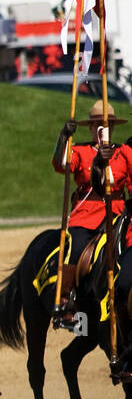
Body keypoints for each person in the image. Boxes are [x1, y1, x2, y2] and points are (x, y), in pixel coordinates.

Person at [52, 102, 130, 330]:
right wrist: (63, 138)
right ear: (91, 128)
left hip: (117, 212)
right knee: (75, 248)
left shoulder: (123, 152)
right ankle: (65, 301)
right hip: (86, 215)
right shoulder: (81, 151)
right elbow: (61, 164)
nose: (102, 130)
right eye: (98, 125)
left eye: (107, 125)